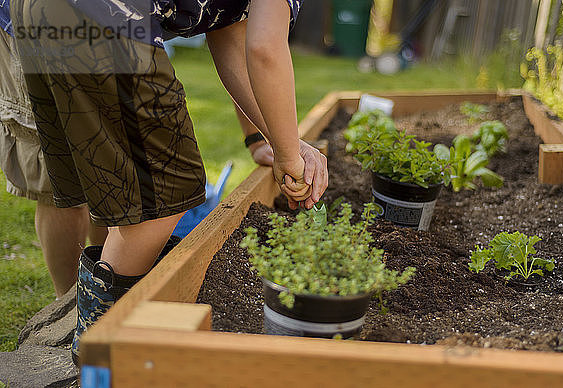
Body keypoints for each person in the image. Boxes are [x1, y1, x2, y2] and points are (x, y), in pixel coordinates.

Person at [7, 0, 327, 364]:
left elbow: (230, 37)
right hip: (105, 18)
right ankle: (100, 363)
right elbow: (265, 49)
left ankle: (96, 346)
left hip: (38, 13)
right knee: (163, 199)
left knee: (119, 192)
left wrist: (269, 138)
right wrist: (288, 154)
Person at [0, 24, 108, 298]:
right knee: (58, 180)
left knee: (110, 158)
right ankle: (68, 310)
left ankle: (109, 294)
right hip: (31, 25)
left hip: (106, 21)